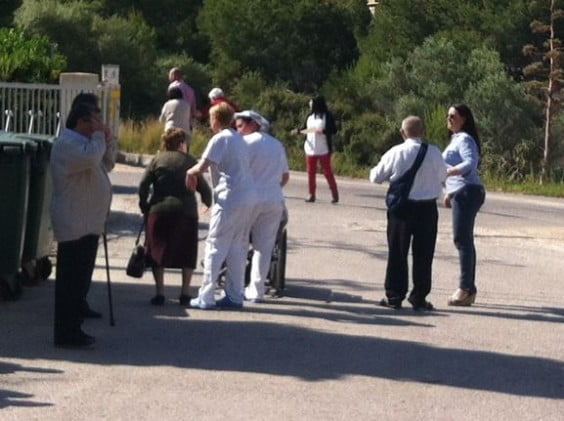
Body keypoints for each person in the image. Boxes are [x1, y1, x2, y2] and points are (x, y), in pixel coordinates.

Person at [50, 101, 115, 348]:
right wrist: (99, 136)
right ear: (81, 122)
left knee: (79, 283)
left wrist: (106, 141)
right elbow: (90, 158)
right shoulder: (68, 144)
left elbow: (106, 163)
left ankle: (74, 327)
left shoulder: (87, 144)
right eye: (95, 122)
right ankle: (66, 332)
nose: (100, 127)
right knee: (70, 283)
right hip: (74, 221)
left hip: (87, 221)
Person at [369, 116, 447, 311]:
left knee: (397, 252)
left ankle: (395, 296)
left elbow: (375, 177)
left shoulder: (396, 152)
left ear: (402, 133)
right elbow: (443, 176)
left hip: (401, 209)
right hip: (427, 209)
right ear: (424, 132)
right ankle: (419, 296)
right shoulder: (435, 153)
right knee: (424, 254)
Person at [186, 103, 257, 309]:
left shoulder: (220, 138)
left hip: (230, 198)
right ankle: (235, 295)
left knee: (215, 245)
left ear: (215, 119)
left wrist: (190, 173)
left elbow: (202, 166)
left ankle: (206, 296)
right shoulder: (239, 139)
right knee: (238, 247)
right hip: (248, 197)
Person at [138, 128, 212, 306]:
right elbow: (203, 187)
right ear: (181, 143)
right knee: (187, 252)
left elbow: (143, 184)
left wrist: (144, 204)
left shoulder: (157, 159)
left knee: (157, 251)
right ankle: (185, 292)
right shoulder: (190, 161)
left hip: (159, 210)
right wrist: (207, 202)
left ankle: (160, 293)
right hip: (185, 212)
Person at [234, 110, 289, 302]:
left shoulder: (243, 144)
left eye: (241, 126)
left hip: (249, 199)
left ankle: (236, 286)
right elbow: (284, 177)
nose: (238, 130)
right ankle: (257, 291)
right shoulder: (276, 145)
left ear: (253, 124)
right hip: (273, 199)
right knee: (264, 247)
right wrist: (271, 188)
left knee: (240, 242)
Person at [443, 104, 486, 306]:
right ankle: (469, 288)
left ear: (464, 119)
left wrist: (449, 173)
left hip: (468, 191)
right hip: (460, 192)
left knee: (462, 240)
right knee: (463, 239)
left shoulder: (465, 139)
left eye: (453, 116)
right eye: (448, 116)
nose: (449, 119)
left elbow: (470, 163)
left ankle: (465, 289)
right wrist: (448, 193)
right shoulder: (456, 138)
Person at [291, 95, 339, 204]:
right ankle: (311, 194)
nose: (310, 105)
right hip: (310, 148)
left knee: (327, 172)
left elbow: (334, 130)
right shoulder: (310, 116)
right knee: (310, 172)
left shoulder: (327, 116)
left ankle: (334, 194)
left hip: (323, 148)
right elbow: (306, 129)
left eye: (312, 103)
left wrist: (323, 131)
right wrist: (298, 131)